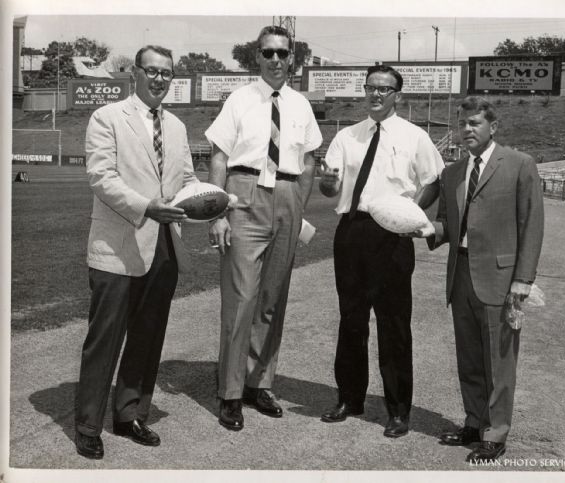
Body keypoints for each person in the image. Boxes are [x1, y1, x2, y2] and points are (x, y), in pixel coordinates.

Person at [74, 45, 200, 459]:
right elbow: (100, 177)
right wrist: (147, 207)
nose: (159, 79)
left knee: (147, 337)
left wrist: (209, 202)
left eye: (167, 73)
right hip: (117, 245)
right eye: (152, 71)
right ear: (135, 75)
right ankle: (88, 424)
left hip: (163, 246)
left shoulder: (178, 127)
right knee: (105, 339)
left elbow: (187, 178)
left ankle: (129, 414)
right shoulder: (107, 117)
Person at [412, 96, 544, 461]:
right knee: (469, 357)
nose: (466, 130)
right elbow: (447, 225)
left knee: (499, 361)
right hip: (461, 275)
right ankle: (474, 420)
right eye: (463, 124)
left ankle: (495, 433)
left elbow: (531, 225)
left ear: (493, 127)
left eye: (475, 124)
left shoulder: (519, 165)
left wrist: (524, 279)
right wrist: (419, 227)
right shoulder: (453, 172)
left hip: (501, 279)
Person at [205, 25, 322, 431]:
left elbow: (308, 162)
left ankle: (260, 382)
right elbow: (218, 157)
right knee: (242, 298)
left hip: (287, 196)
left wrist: (297, 205)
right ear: (257, 56)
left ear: (293, 59)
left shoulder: (301, 105)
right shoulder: (239, 100)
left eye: (283, 53)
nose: (276, 59)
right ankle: (231, 392)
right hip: (243, 192)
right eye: (268, 53)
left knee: (272, 298)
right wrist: (217, 212)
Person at [318, 65, 444, 438]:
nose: (376, 95)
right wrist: (327, 184)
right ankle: (349, 398)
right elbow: (331, 189)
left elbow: (433, 182)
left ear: (397, 96)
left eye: (385, 90)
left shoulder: (415, 136)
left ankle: (398, 410)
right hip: (353, 231)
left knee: (394, 325)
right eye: (371, 88)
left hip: (393, 236)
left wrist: (410, 216)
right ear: (364, 91)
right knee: (351, 320)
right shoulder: (346, 136)